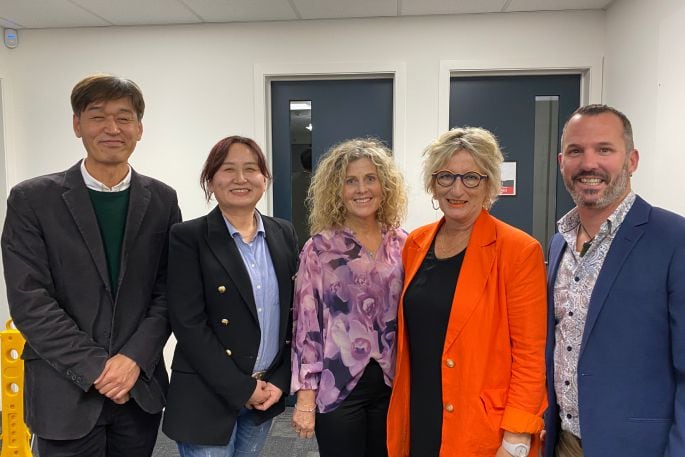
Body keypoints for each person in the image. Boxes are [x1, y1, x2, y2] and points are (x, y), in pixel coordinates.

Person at [1, 74, 181, 456]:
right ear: (77, 125)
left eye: (124, 117)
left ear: (139, 128)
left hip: (138, 390)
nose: (112, 128)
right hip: (63, 392)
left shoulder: (162, 200)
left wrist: (133, 359)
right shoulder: (32, 200)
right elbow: (30, 300)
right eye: (98, 117)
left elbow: (169, 292)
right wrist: (98, 367)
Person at [386, 127, 547, 457]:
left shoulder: (518, 250)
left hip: (482, 422)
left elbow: (531, 355)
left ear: (488, 184)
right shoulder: (416, 243)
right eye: (446, 177)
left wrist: (516, 438)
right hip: (420, 407)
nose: (457, 188)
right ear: (433, 183)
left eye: (471, 177)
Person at [544, 105, 685, 457]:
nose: (588, 164)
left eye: (604, 149)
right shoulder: (559, 240)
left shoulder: (673, 239)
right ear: (562, 161)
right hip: (562, 442)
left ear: (632, 160)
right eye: (576, 151)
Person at [162, 136, 299, 457]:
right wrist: (243, 389)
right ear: (210, 180)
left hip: (265, 393)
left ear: (265, 179)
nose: (241, 178)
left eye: (251, 169)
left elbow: (295, 315)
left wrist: (279, 380)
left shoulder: (283, 232)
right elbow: (188, 324)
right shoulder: (188, 237)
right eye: (228, 169)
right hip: (207, 394)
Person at [290, 138, 408, 457]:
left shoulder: (404, 244)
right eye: (350, 181)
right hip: (338, 385)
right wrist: (305, 397)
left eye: (370, 178)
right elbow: (306, 329)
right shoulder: (319, 249)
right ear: (337, 190)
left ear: (384, 186)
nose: (361, 189)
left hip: (393, 385)